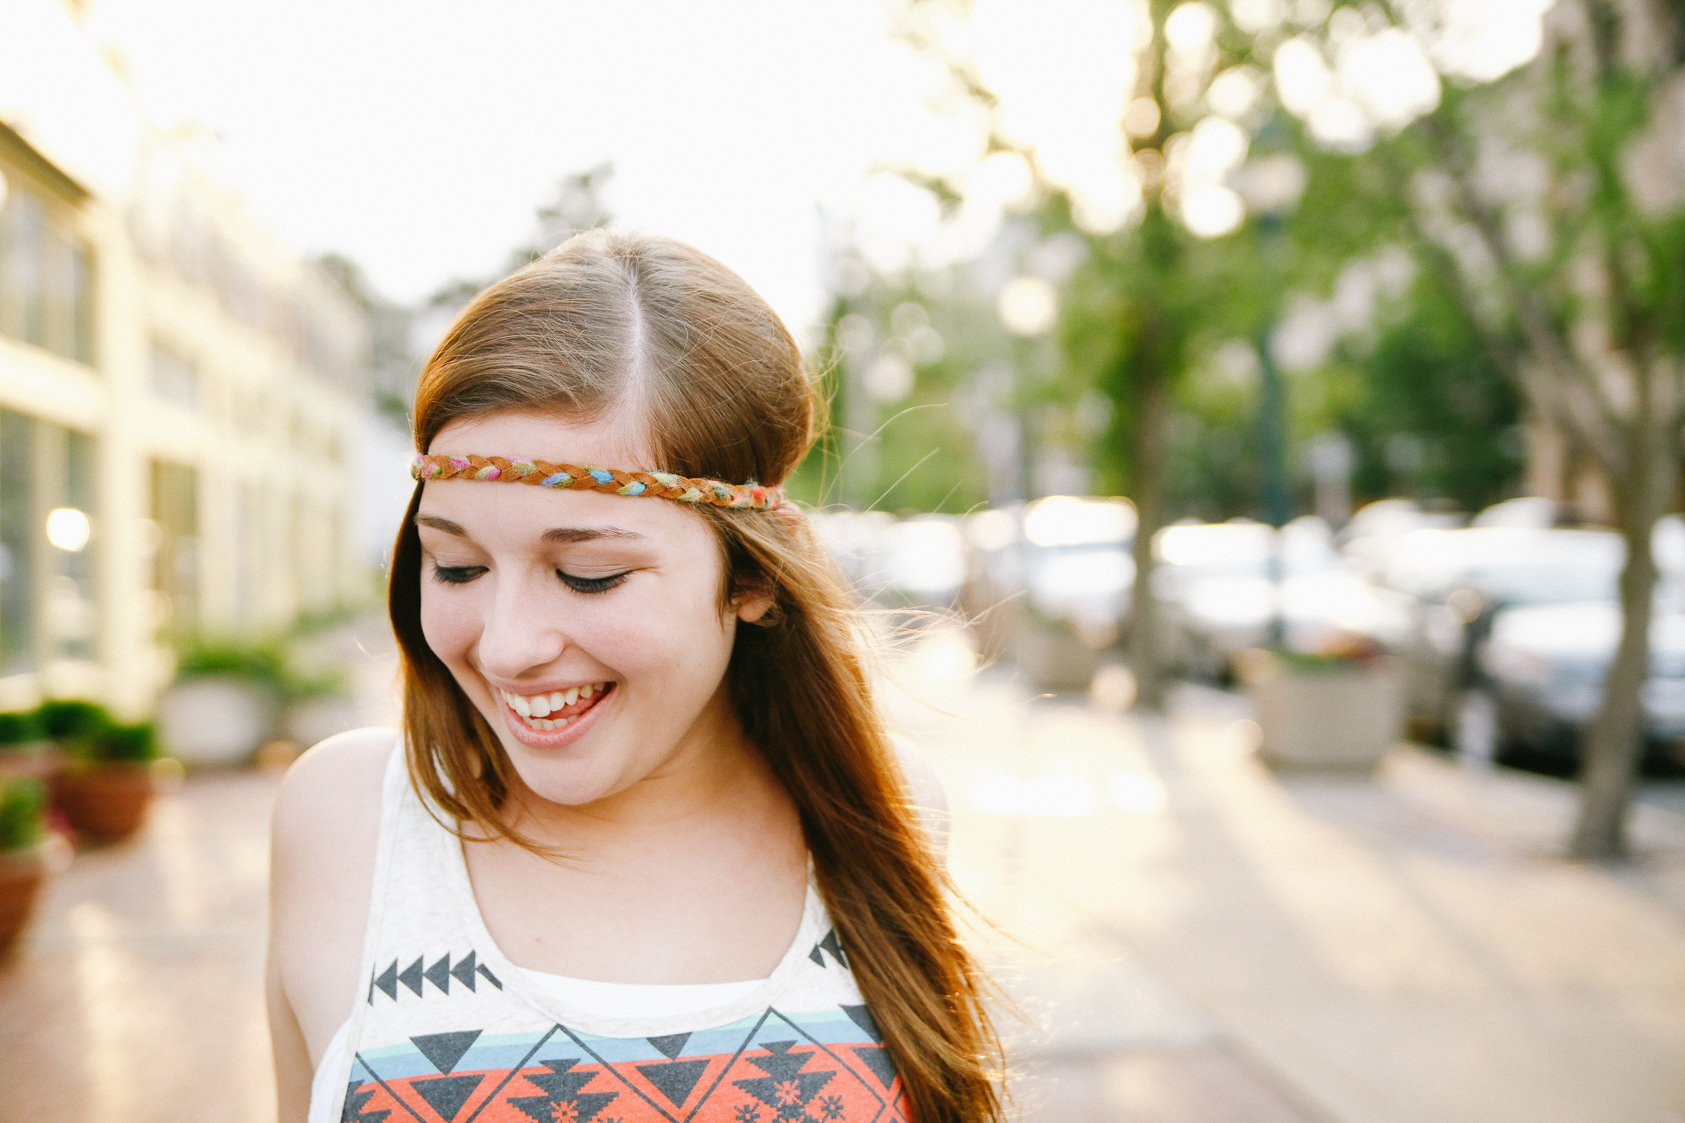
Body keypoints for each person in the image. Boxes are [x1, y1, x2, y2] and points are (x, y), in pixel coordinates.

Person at [267, 230, 1002, 1123]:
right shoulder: (348, 824)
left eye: (589, 575)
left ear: (754, 577)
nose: (506, 647)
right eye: (456, 567)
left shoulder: (884, 811)